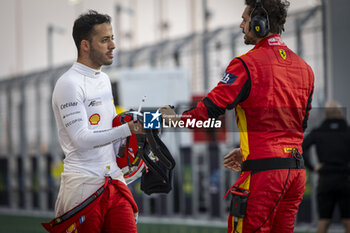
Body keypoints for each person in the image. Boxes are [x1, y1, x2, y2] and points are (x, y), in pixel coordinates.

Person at [161, 0, 314, 232]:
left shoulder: (246, 64)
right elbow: (298, 125)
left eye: (245, 20)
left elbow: (208, 111)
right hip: (295, 175)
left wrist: (175, 119)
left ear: (259, 23)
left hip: (264, 175)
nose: (241, 25)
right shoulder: (305, 69)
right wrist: (247, 149)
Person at [45, 10, 144, 233]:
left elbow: (108, 132)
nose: (113, 46)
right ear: (85, 45)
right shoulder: (68, 83)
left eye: (113, 38)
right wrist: (126, 129)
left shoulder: (104, 79)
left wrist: (136, 142)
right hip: (82, 187)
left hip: (114, 183)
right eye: (105, 40)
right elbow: (81, 139)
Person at [303, 101, 350, 233]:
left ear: (326, 115)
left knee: (324, 220)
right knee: (347, 220)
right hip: (345, 179)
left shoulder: (318, 131)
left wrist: (312, 167)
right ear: (340, 114)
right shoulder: (347, 131)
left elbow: (301, 148)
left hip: (325, 179)